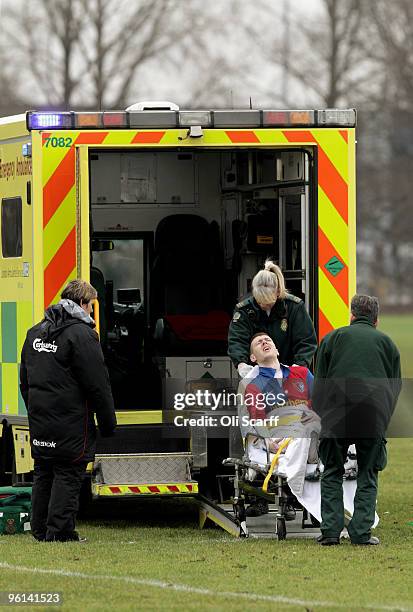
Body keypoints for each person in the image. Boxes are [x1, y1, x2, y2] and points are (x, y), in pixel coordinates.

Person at [20, 279, 117, 542]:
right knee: (68, 472)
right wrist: (108, 423)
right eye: (91, 306)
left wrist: (35, 411)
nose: (91, 312)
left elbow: (25, 381)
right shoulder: (83, 335)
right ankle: (61, 532)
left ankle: (40, 530)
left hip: (41, 419)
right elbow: (98, 385)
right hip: (71, 422)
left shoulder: (34, 332)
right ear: (84, 304)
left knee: (43, 471)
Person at [313, 295, 401, 546]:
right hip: (372, 415)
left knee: (331, 471)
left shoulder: (332, 338)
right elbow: (394, 387)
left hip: (335, 414)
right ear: (376, 320)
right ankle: (361, 533)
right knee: (368, 473)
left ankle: (330, 532)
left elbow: (320, 384)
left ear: (352, 315)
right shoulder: (387, 343)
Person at [241, 333, 319, 517]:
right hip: (281, 435)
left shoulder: (302, 373)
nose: (264, 342)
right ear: (253, 358)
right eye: (258, 343)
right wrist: (267, 441)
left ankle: (311, 447)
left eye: (268, 340)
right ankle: (305, 463)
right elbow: (257, 418)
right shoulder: (253, 384)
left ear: (277, 350)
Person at [228, 259, 317, 376]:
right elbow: (237, 340)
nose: (264, 306)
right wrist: (241, 364)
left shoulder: (294, 307)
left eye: (268, 302)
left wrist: (299, 365)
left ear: (278, 292)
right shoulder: (244, 310)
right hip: (257, 373)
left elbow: (306, 341)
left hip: (289, 370)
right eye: (260, 302)